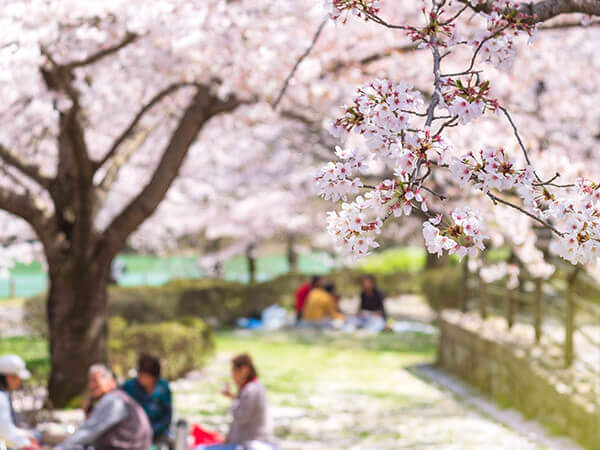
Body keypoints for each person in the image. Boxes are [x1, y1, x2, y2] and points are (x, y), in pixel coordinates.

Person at [58, 364, 152, 450]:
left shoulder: (113, 400)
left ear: (111, 381)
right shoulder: (119, 398)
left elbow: (87, 432)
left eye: (95, 380)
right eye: (90, 381)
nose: (91, 385)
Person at [196, 354, 278, 450]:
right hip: (242, 442)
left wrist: (233, 401)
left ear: (244, 370)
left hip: (251, 444)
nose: (233, 377)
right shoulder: (247, 388)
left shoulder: (252, 390)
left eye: (234, 372)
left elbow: (241, 417)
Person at [121, 354, 172, 443]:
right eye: (141, 376)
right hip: (134, 435)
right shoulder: (129, 387)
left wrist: (152, 430)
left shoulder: (163, 388)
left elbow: (167, 417)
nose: (143, 380)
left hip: (158, 434)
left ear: (155, 377)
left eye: (147, 377)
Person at [0, 355, 40, 449]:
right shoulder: (1, 398)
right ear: (9, 377)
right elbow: (5, 430)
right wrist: (26, 443)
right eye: (18, 378)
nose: (20, 382)